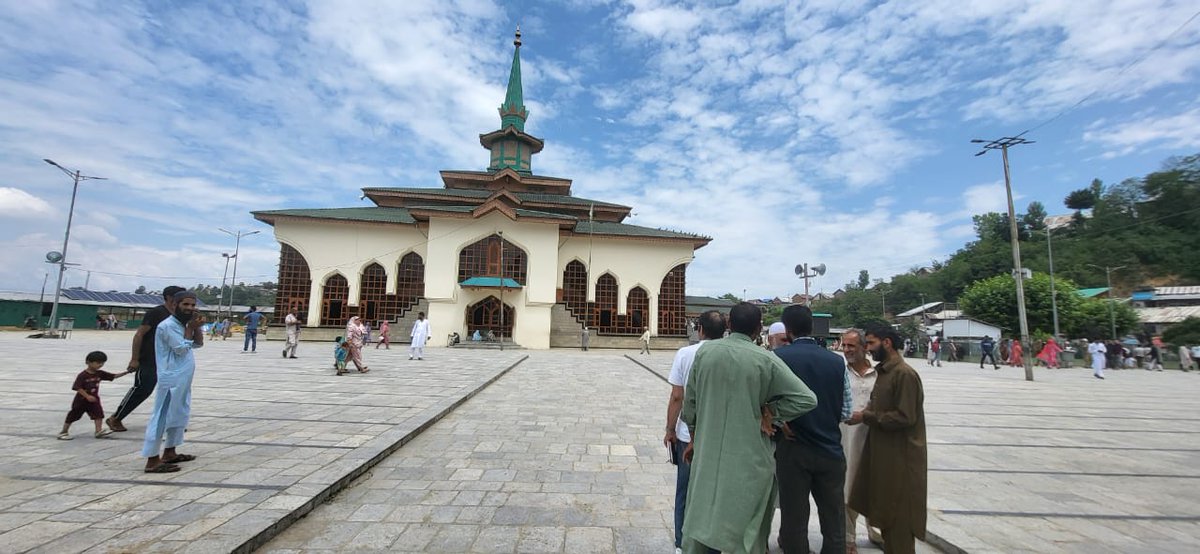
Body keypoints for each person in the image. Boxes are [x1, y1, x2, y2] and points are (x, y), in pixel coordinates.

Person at [680, 302, 818, 554]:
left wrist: (693, 437)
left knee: (700, 515)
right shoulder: (765, 359)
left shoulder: (706, 353)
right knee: (748, 529)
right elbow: (807, 398)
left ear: (729, 324)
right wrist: (771, 413)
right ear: (758, 328)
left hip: (708, 452)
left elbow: (690, 404)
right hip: (750, 458)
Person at [773, 305, 852, 554]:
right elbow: (846, 411)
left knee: (794, 518)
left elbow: (765, 402)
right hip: (830, 449)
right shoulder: (836, 361)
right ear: (811, 327)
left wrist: (781, 421)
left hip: (793, 450)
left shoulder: (778, 358)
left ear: (787, 329)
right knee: (834, 519)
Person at [848, 323, 928, 554]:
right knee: (886, 519)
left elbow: (905, 416)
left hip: (901, 461)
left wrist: (866, 416)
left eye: (871, 343)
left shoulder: (904, 374)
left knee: (899, 523)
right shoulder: (885, 372)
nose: (868, 348)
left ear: (887, 343)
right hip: (885, 458)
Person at [664, 310, 724, 553]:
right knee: (715, 493)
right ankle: (713, 544)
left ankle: (682, 543)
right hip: (719, 435)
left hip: (687, 435)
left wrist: (670, 429)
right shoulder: (729, 355)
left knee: (684, 491)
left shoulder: (685, 354)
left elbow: (677, 396)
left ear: (700, 329)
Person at [142, 291, 205, 474]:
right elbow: (180, 349)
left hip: (183, 378)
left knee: (179, 413)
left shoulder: (182, 324)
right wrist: (190, 328)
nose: (189, 308)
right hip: (171, 378)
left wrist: (196, 327)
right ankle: (152, 459)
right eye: (185, 304)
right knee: (162, 416)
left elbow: (197, 344)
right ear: (175, 305)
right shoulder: (167, 325)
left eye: (192, 305)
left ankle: (170, 451)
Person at [107, 285, 184, 433]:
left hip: (170, 360)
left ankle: (169, 422)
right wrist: (134, 359)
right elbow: (139, 335)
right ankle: (116, 418)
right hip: (150, 359)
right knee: (143, 389)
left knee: (172, 391)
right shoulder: (156, 313)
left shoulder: (179, 316)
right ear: (169, 297)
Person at [840, 330, 884, 553]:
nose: (846, 350)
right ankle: (849, 538)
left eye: (851, 346)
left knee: (877, 488)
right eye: (844, 346)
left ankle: (876, 532)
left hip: (875, 440)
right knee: (848, 488)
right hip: (847, 441)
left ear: (864, 347)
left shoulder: (879, 374)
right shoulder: (840, 373)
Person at [59, 351, 130, 440]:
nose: (100, 365)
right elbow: (77, 387)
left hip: (94, 400)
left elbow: (113, 376)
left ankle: (98, 431)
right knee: (73, 415)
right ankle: (64, 431)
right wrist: (87, 396)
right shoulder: (82, 375)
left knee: (98, 414)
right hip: (81, 400)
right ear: (88, 362)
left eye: (102, 363)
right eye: (98, 363)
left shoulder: (99, 373)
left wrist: (126, 372)